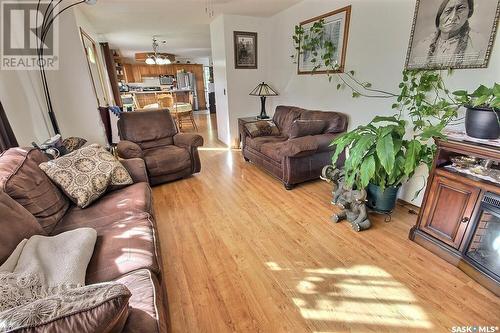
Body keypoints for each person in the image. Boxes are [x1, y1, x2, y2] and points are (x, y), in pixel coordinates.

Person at [412, 0, 485, 67]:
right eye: (448, 11)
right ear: (439, 17)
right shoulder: (422, 47)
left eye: (460, 9)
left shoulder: (477, 44)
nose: (452, 17)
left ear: (469, 12)